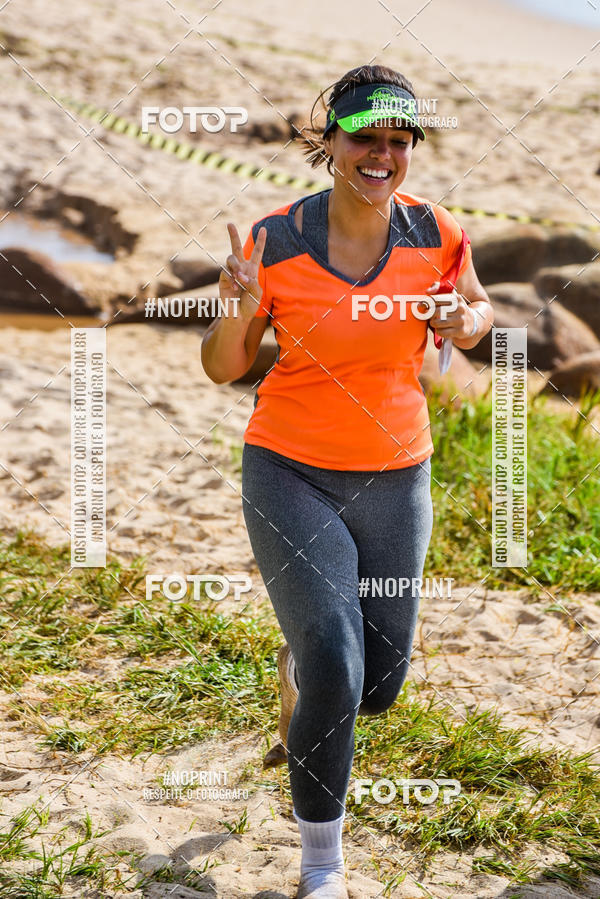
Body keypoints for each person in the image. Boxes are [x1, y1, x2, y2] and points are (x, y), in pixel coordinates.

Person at [201, 64, 493, 899]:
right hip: (289, 467)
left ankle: (300, 667)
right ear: (328, 141)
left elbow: (476, 313)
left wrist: (461, 319)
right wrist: (234, 305)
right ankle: (322, 863)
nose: (383, 154)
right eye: (366, 137)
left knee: (382, 682)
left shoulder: (436, 232)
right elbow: (226, 368)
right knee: (339, 660)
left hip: (397, 475)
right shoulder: (275, 240)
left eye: (400, 141)